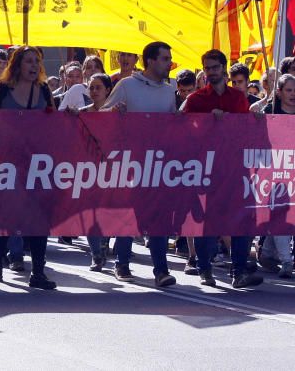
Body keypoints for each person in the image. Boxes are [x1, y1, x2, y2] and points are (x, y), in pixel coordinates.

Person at [181, 49, 262, 289]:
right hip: (207, 168)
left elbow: (243, 131)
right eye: (207, 68)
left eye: (215, 67)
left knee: (243, 219)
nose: (211, 72)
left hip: (235, 167)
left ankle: (239, 271)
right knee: (208, 220)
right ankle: (204, 268)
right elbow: (185, 131)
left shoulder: (238, 98)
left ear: (224, 69)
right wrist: (208, 121)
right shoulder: (196, 100)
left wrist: (255, 122)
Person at [102, 40, 178, 287]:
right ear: (151, 61)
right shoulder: (126, 85)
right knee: (128, 216)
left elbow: (173, 126)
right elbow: (101, 116)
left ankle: (161, 270)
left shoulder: (170, 90)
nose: (169, 63)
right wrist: (114, 114)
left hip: (159, 165)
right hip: (130, 163)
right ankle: (121, 263)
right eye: (165, 59)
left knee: (158, 218)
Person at [0, 46, 58, 290]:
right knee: (6, 213)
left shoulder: (45, 89)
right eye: (28, 61)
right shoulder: (1, 89)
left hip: (37, 163)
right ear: (17, 65)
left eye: (37, 61)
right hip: (8, 162)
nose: (34, 66)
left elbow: (55, 122)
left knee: (38, 217)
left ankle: (38, 270)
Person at [68, 73, 115, 270]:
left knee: (106, 213)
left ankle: (104, 242)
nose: (94, 91)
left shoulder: (115, 113)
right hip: (87, 170)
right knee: (89, 213)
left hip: (111, 170)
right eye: (91, 88)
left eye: (98, 87)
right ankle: (96, 253)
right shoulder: (82, 114)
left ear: (107, 90)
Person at [259, 73, 295, 279]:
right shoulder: (270, 110)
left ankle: (267, 253)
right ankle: (286, 261)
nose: (293, 94)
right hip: (276, 169)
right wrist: (263, 108)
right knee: (281, 213)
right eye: (288, 90)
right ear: (279, 92)